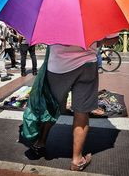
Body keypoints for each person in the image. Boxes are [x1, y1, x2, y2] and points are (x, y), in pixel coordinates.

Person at [30, 34, 119, 171]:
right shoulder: (97, 12)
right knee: (82, 112)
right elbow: (113, 38)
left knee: (52, 106)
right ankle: (77, 160)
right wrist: (95, 40)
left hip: (57, 66)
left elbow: (44, 35)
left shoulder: (52, 11)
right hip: (86, 65)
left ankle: (40, 142)